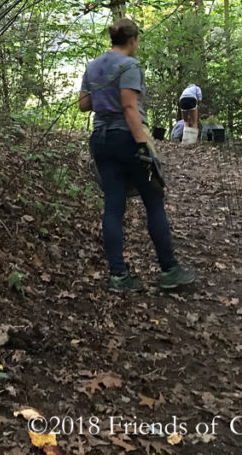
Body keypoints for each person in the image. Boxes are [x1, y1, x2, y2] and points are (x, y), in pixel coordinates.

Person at [78, 18, 195, 292]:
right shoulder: (130, 66)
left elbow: (84, 104)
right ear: (133, 40)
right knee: (154, 199)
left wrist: (104, 94)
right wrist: (143, 146)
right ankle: (169, 270)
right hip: (127, 138)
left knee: (114, 207)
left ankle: (119, 276)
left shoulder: (93, 66)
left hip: (101, 140)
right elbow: (130, 107)